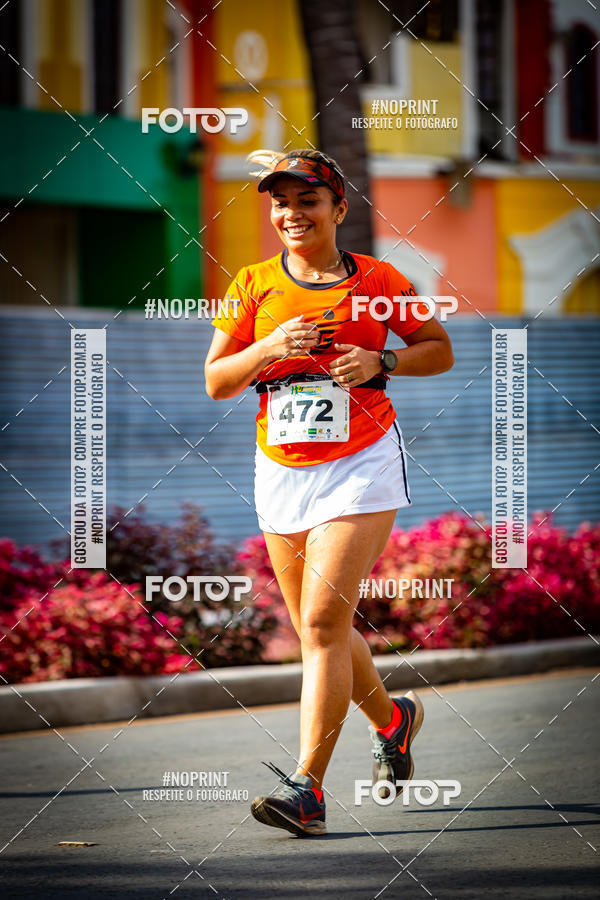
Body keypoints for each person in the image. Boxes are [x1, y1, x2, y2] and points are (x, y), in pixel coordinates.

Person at [205, 148, 454, 836]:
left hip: (362, 462)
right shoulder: (254, 282)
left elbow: (440, 346)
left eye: (307, 200)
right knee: (326, 630)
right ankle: (394, 719)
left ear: (339, 209)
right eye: (279, 202)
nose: (291, 213)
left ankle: (306, 790)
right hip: (280, 469)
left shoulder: (379, 280)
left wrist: (386, 359)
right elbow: (217, 380)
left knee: (320, 624)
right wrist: (271, 344)